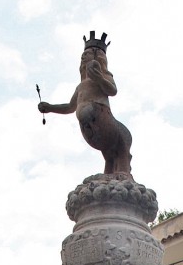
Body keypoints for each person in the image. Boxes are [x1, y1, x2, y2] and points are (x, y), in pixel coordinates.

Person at [37, 32, 132, 175]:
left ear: (96, 56)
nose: (83, 56)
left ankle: (123, 170)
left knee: (114, 151)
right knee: (108, 157)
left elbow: (112, 91)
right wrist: (50, 108)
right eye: (83, 54)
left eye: (87, 53)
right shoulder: (81, 86)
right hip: (87, 124)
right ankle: (109, 173)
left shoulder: (104, 76)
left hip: (100, 115)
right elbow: (69, 107)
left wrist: (99, 79)